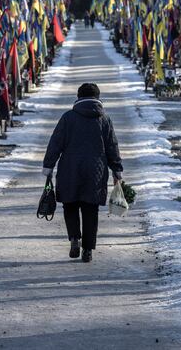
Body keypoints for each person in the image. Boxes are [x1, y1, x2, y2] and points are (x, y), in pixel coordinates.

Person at [42, 83, 123, 262]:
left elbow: (55, 143)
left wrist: (48, 166)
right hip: (96, 172)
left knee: (70, 206)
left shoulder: (68, 118)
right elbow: (112, 147)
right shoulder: (104, 120)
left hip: (69, 170)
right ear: (98, 98)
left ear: (78, 97)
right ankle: (88, 249)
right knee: (90, 210)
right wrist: (116, 169)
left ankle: (74, 239)